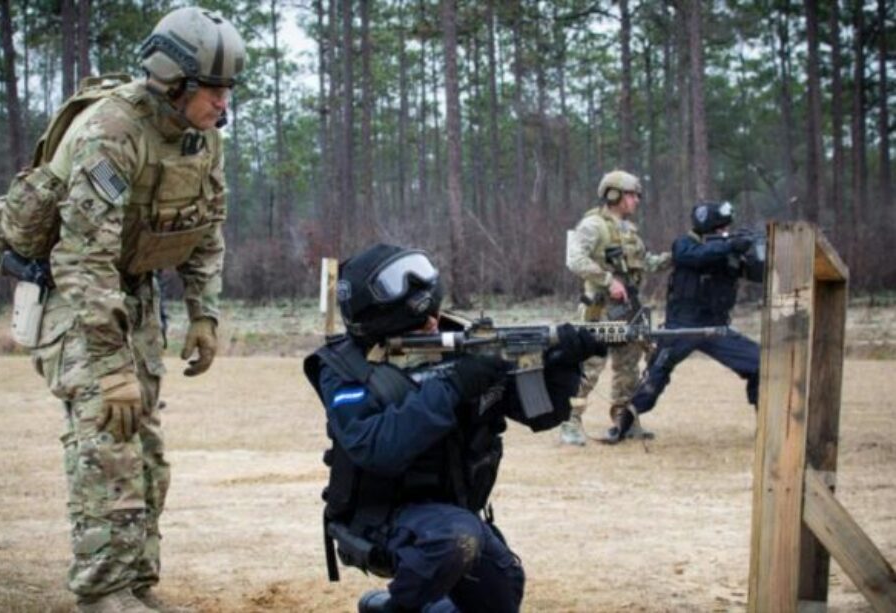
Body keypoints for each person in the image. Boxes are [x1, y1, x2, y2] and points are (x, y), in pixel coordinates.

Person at [22, 8, 245, 612]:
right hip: (76, 300)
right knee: (106, 440)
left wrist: (205, 313)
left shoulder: (203, 137)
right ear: (175, 83)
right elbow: (81, 256)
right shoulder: (110, 132)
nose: (224, 105)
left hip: (135, 295)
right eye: (215, 91)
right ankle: (102, 593)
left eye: (228, 92)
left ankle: (136, 584)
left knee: (145, 449)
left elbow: (208, 225)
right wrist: (111, 366)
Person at [303, 244, 605, 613]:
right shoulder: (344, 369)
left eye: (435, 314)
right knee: (455, 537)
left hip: (452, 516)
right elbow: (377, 447)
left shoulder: (463, 345)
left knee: (502, 585)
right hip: (381, 518)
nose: (434, 326)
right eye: (421, 323)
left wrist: (562, 364)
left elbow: (538, 414)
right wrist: (454, 386)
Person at [605, 201, 762, 443]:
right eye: (720, 230)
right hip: (682, 327)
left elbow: (757, 273)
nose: (724, 234)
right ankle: (622, 426)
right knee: (656, 376)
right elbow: (692, 256)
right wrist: (730, 244)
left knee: (760, 365)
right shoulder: (686, 245)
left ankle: (767, 427)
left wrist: (758, 252)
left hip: (714, 328)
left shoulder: (728, 252)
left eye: (726, 230)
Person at [562, 170, 671, 446]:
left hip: (628, 308)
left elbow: (645, 262)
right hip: (600, 310)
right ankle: (569, 422)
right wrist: (608, 280)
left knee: (629, 367)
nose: (636, 200)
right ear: (614, 195)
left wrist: (674, 258)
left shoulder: (629, 230)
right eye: (632, 195)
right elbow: (575, 260)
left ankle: (626, 420)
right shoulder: (593, 225)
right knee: (590, 367)